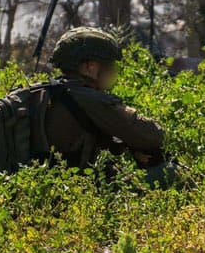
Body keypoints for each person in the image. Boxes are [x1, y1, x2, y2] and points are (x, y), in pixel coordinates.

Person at [45, 28, 173, 184]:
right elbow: (153, 135)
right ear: (90, 67)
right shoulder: (89, 98)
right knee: (172, 172)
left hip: (47, 185)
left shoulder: (49, 92)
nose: (113, 71)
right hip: (78, 190)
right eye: (109, 65)